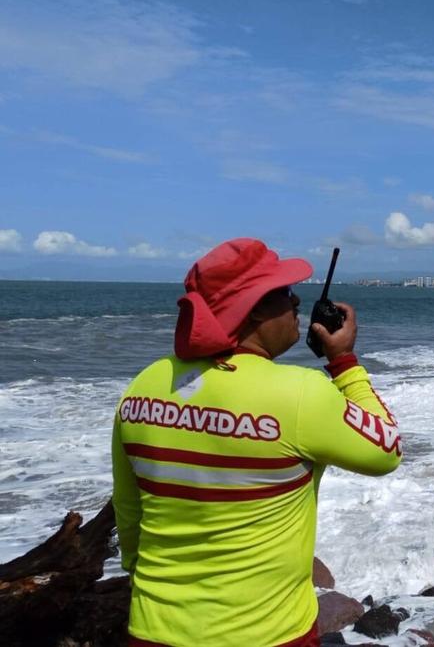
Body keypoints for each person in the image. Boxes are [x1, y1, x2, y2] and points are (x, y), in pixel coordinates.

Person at [111, 238, 402, 647]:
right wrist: (344, 361)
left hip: (153, 628)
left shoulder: (143, 385)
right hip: (267, 633)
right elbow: (386, 449)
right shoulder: (300, 392)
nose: (297, 300)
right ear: (252, 309)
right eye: (282, 293)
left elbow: (128, 512)